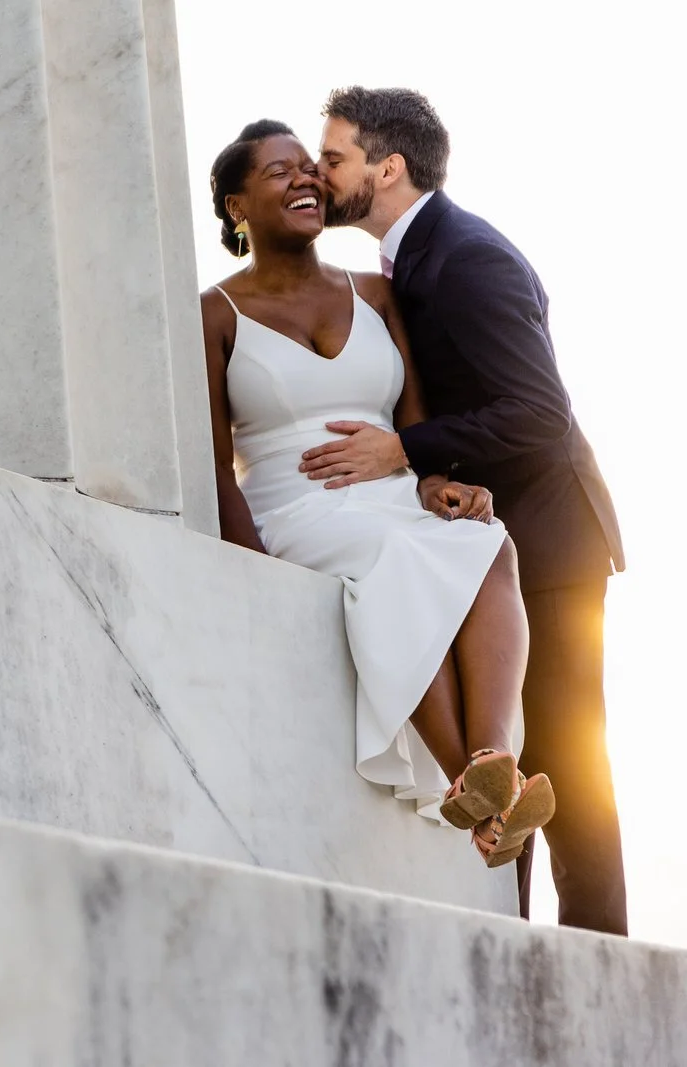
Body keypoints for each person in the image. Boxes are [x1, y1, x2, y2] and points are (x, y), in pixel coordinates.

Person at [306, 87, 627, 936]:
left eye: (333, 156)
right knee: (510, 763)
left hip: (551, 545)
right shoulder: (408, 262)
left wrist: (402, 453)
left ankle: (604, 969)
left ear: (388, 167)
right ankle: (514, 950)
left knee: (569, 764)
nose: (318, 169)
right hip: (474, 544)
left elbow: (537, 413)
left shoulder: (469, 257)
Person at [200, 119, 555, 869]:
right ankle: (473, 784)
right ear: (237, 206)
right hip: (296, 508)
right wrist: (247, 563)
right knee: (392, 553)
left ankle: (492, 763)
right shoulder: (215, 313)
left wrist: (437, 483)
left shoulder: (376, 292)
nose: (305, 179)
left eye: (310, 167)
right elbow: (211, 458)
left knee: (485, 539)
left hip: (392, 489)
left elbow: (412, 416)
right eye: (279, 172)